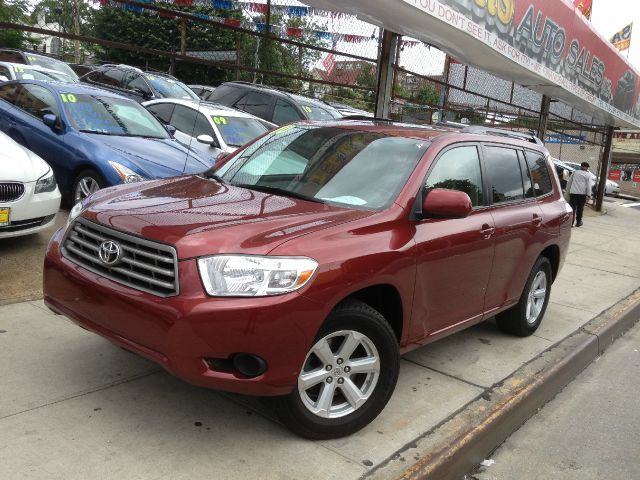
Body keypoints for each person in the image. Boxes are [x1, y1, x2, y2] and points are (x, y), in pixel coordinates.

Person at [566, 162, 594, 227]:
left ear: (581, 166)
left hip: (573, 193)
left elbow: (569, 182)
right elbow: (589, 186)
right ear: (587, 168)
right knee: (580, 208)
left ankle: (571, 223)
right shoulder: (588, 175)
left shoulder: (575, 172)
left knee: (572, 208)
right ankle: (578, 222)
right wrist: (589, 195)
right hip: (582, 194)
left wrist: (568, 191)